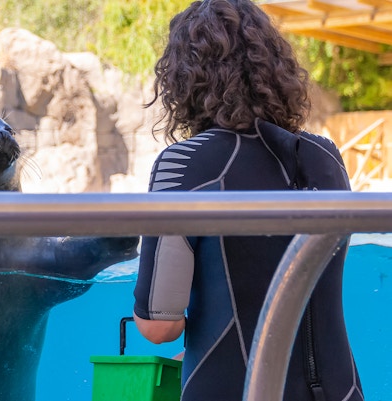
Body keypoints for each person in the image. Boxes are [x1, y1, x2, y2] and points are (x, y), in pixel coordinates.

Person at [132, 0, 365, 400]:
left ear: (184, 79)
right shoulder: (326, 156)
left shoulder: (185, 164)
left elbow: (159, 326)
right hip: (342, 390)